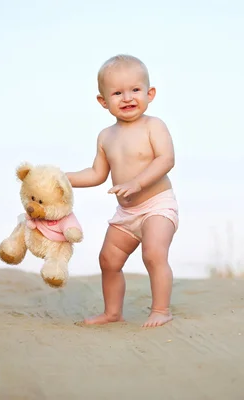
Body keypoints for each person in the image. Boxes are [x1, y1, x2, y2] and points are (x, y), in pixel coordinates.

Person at [65, 54, 179, 328]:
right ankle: (112, 312)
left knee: (153, 253)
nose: (127, 98)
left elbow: (166, 159)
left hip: (157, 206)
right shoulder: (106, 136)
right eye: (117, 93)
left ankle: (161, 309)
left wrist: (137, 183)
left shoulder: (154, 126)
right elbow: (96, 174)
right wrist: (61, 178)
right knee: (108, 260)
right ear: (103, 101)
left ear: (150, 93)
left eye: (135, 90)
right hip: (126, 213)